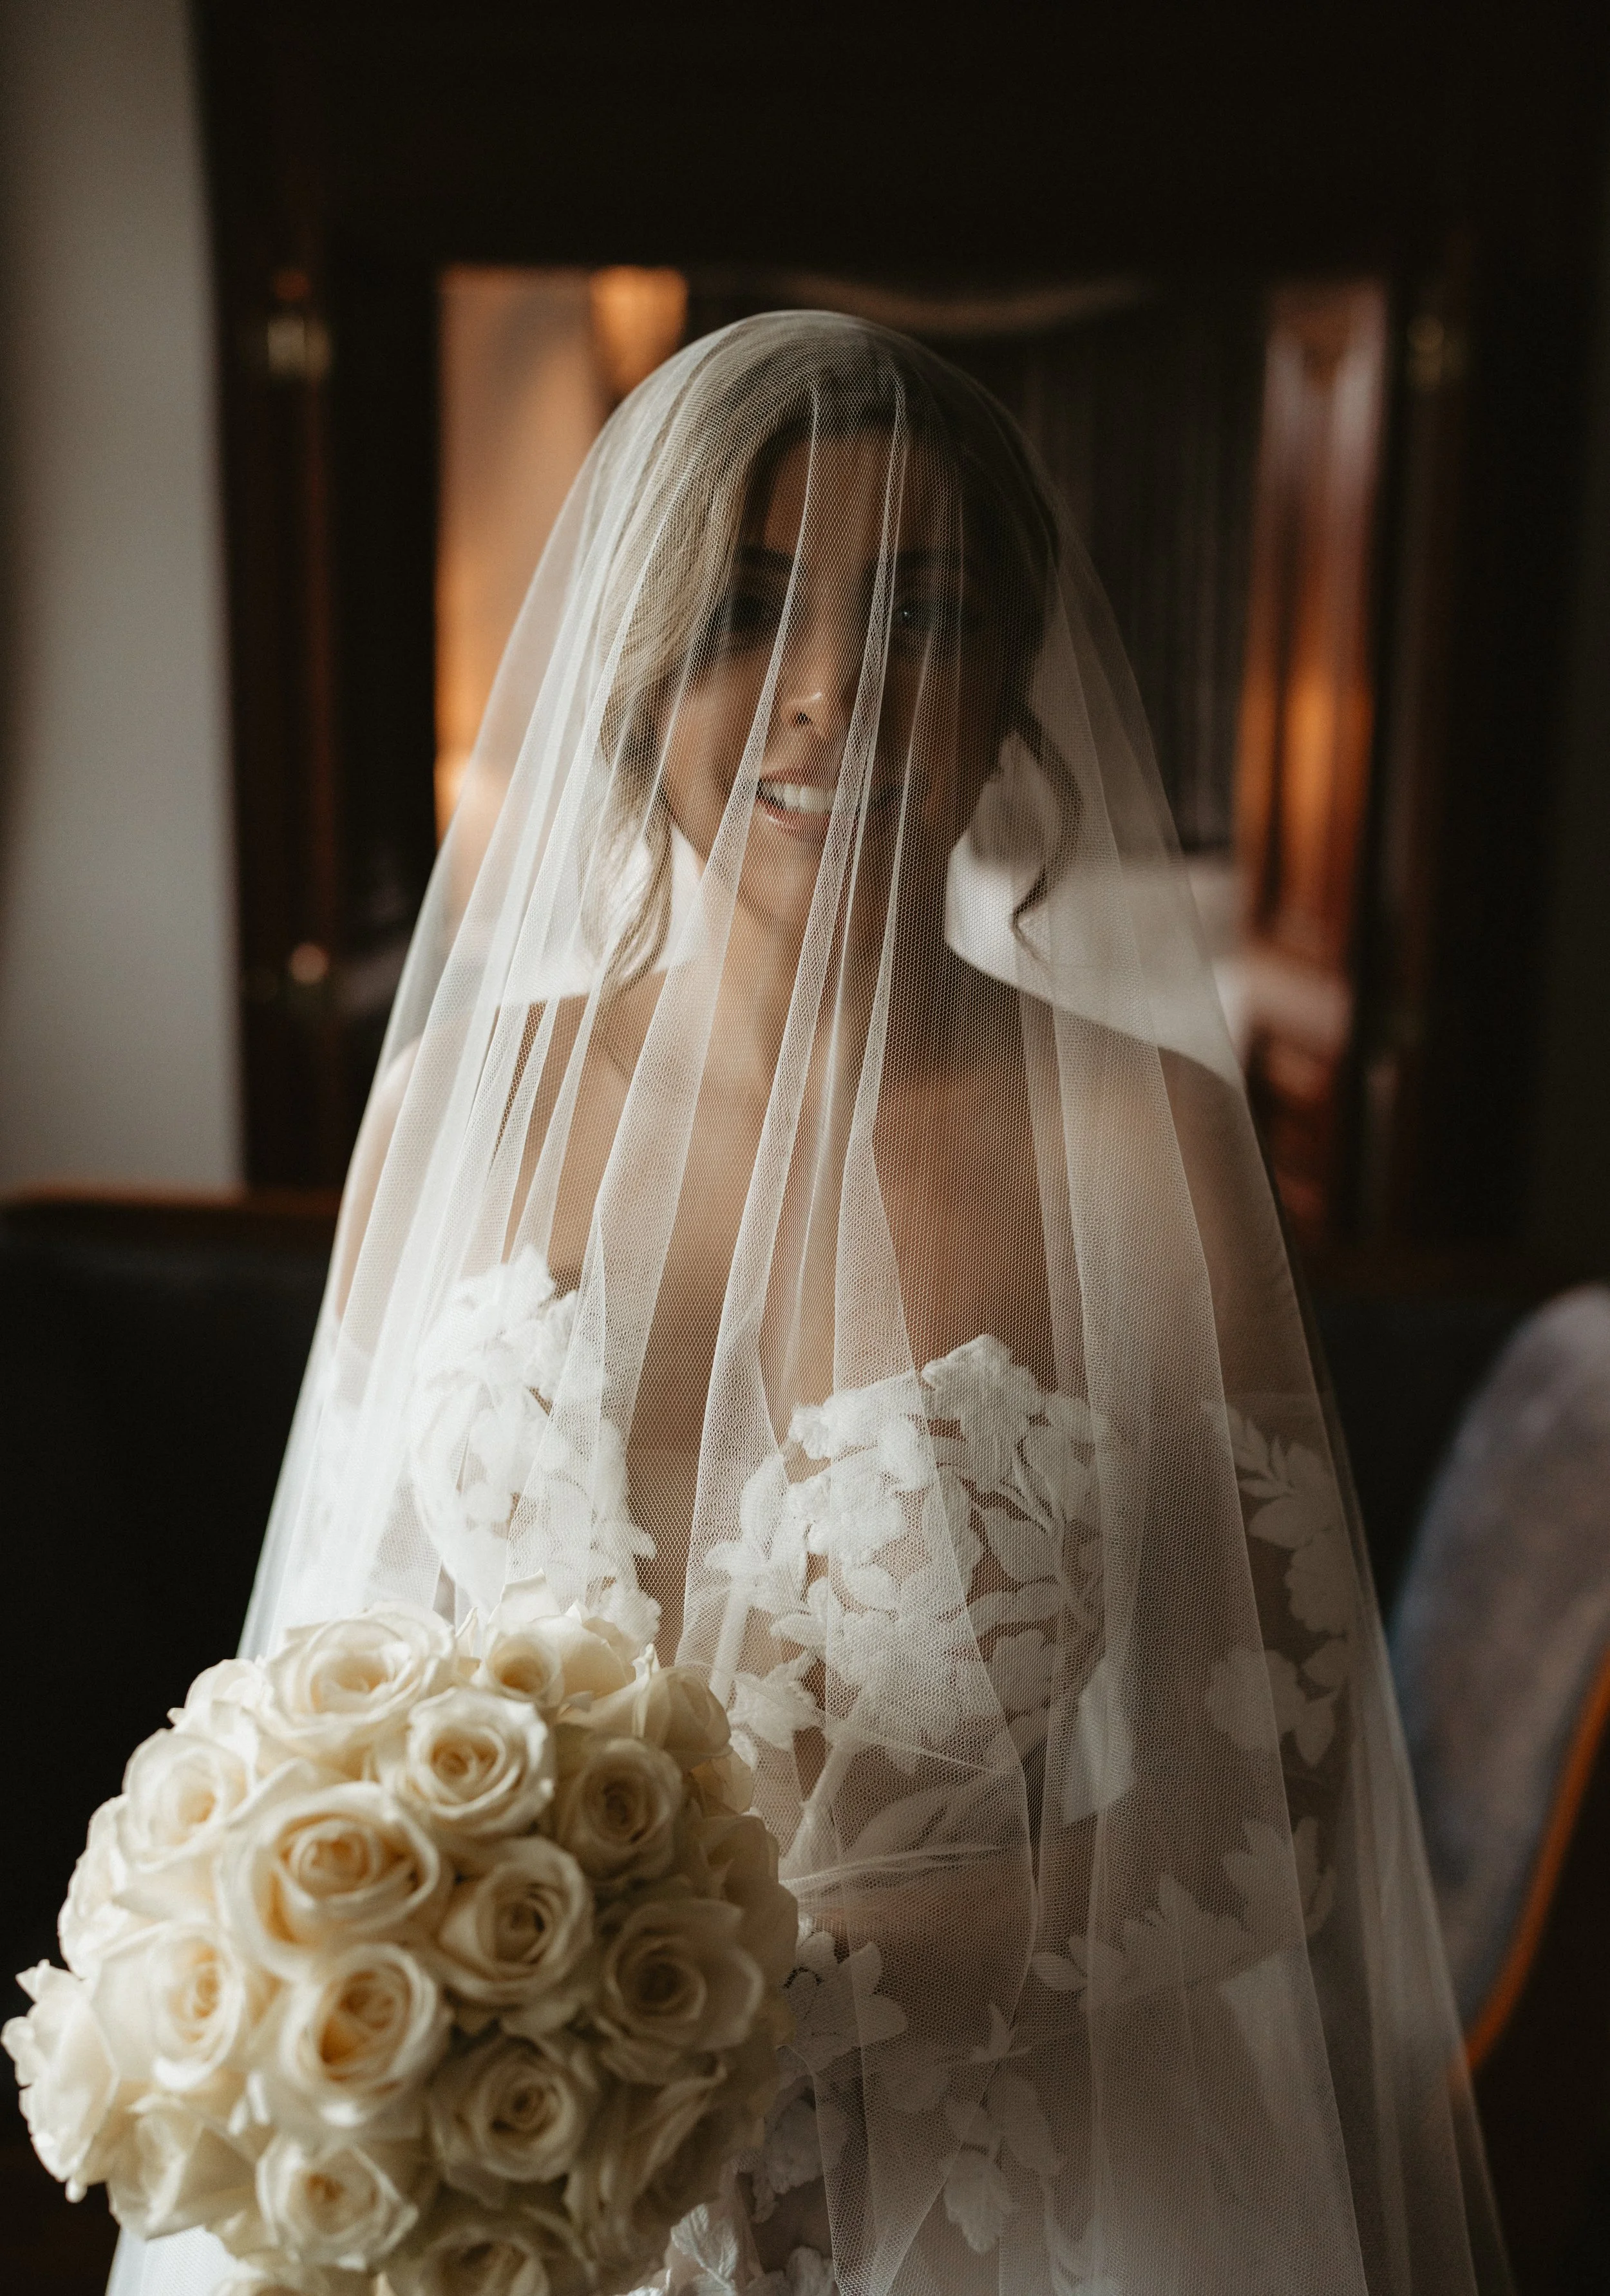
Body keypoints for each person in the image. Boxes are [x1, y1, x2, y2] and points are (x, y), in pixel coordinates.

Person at [111, 312, 1507, 2296]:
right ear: (630, 662)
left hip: (1006, 2192)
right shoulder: (456, 1109)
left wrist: (725, 1996)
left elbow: (1250, 1815)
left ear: (1012, 675)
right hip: (482, 2161)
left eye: (921, 619)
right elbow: (332, 1648)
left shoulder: (1139, 1145)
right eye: (750, 611)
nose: (835, 695)